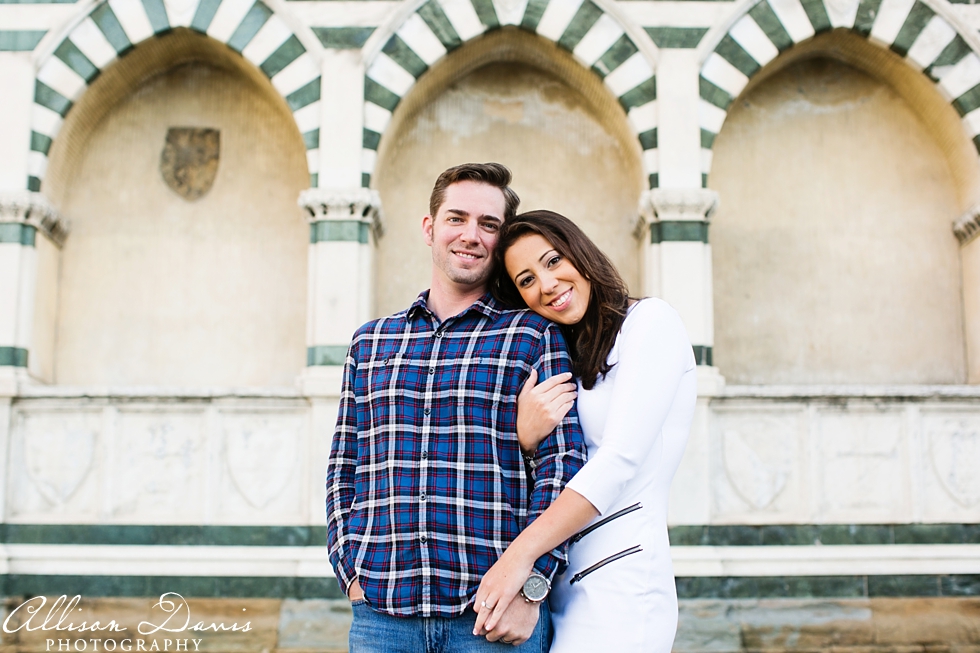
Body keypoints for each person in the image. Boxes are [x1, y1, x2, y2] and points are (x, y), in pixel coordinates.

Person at [325, 165, 588, 653]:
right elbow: (345, 466)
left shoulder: (531, 335)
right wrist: (351, 573)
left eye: (488, 224)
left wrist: (532, 587)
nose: (471, 235)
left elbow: (564, 466)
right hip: (382, 618)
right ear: (430, 228)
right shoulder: (370, 342)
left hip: (493, 620)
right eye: (456, 218)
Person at [473, 209, 697, 652]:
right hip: (558, 590)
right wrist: (527, 438)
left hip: (623, 588)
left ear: (580, 252)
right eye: (527, 280)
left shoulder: (650, 323)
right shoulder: (569, 352)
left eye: (553, 261)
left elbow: (617, 460)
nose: (547, 284)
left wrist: (517, 558)